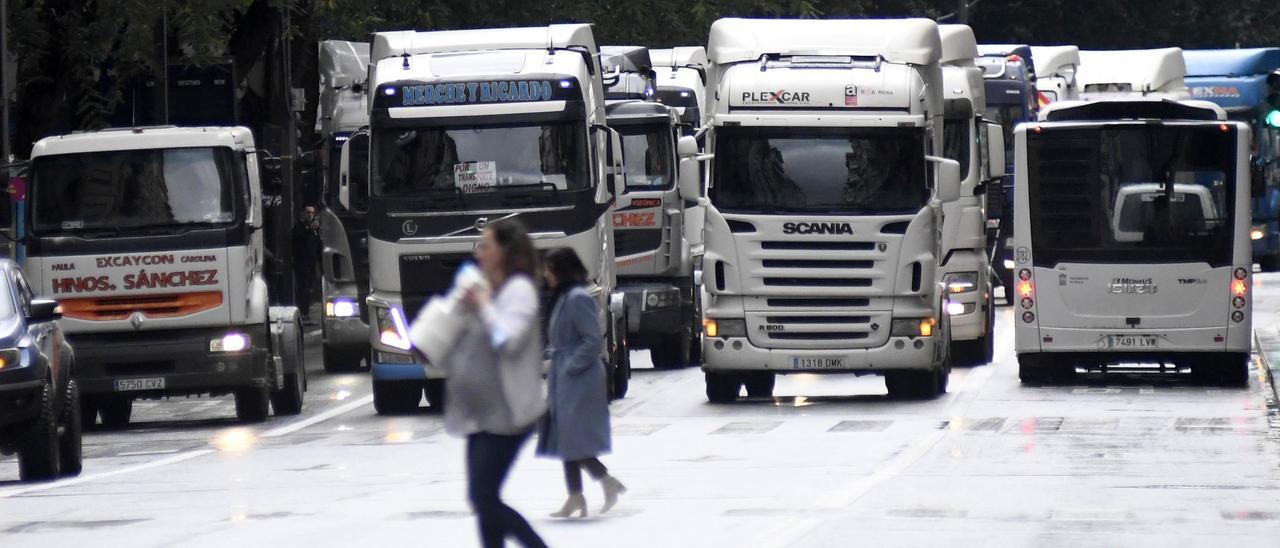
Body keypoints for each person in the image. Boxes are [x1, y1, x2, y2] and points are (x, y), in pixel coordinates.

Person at [435, 219, 549, 548]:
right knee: (482, 498)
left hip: (508, 415)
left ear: (506, 252)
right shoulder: (490, 288)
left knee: (483, 496)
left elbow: (507, 340)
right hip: (482, 414)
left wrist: (483, 305)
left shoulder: (519, 291)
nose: (478, 252)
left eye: (486, 245)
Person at [537, 248, 627, 518]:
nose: (545, 274)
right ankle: (576, 494)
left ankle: (605, 482)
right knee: (563, 435)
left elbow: (592, 340)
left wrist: (571, 366)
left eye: (549, 268)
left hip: (580, 377)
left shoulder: (577, 298)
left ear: (560, 270)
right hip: (563, 374)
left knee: (571, 437)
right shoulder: (563, 297)